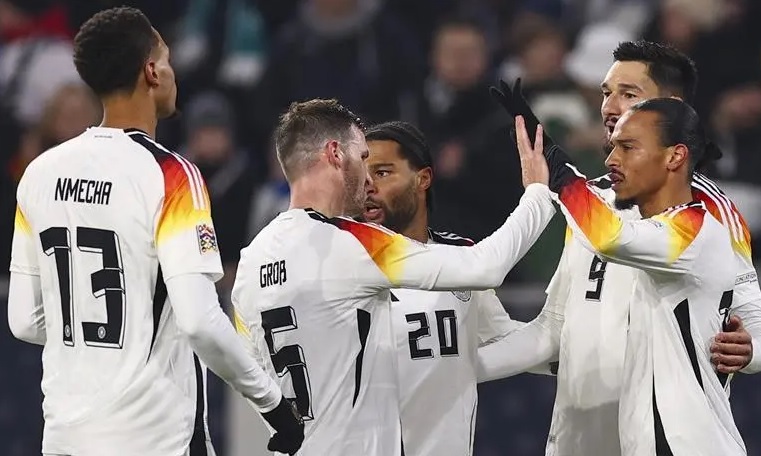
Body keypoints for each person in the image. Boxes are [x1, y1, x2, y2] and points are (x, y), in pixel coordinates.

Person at [7, 7, 302, 456]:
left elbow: (25, 320)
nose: (172, 71)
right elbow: (200, 321)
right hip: (153, 436)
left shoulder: (40, 174)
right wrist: (273, 403)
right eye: (166, 59)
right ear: (151, 72)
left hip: (66, 435)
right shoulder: (171, 175)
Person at [480, 40, 761, 455]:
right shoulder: (588, 203)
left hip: (668, 437)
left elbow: (756, 324)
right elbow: (554, 330)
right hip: (581, 439)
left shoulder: (709, 215)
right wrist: (461, 366)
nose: (610, 107)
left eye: (628, 94)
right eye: (606, 93)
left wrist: (752, 349)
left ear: (669, 109)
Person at [230, 98, 557, 456]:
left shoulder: (251, 261)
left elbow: (249, 373)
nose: (367, 178)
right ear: (336, 154)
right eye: (363, 157)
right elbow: (486, 267)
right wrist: (538, 194)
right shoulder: (352, 243)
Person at [521, 98, 747, 454]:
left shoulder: (695, 229)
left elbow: (608, 237)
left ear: (675, 156)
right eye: (613, 147)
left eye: (628, 147)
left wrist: (557, 168)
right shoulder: (654, 242)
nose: (611, 160)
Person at [361, 121, 560, 456]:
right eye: (362, 176)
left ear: (422, 178)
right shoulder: (349, 263)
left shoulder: (458, 257)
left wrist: (569, 353)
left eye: (382, 173)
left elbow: (500, 338)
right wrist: (539, 194)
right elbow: (488, 266)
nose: (367, 186)